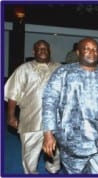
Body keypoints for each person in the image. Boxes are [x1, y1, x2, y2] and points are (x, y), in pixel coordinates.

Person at [42, 37, 98, 174]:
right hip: (72, 143)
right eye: (87, 49)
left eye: (95, 49)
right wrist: (48, 134)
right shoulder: (62, 73)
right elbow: (49, 103)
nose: (92, 52)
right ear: (78, 52)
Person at [4, 40, 61, 174]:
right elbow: (13, 92)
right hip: (31, 120)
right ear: (33, 52)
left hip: (55, 121)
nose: (42, 51)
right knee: (30, 155)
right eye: (39, 49)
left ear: (49, 51)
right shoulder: (24, 69)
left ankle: (53, 170)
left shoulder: (59, 68)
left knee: (56, 154)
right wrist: (11, 116)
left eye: (45, 48)